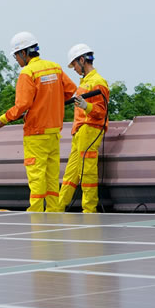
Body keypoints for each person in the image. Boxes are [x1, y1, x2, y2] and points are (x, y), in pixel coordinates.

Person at [0, 31, 76, 212]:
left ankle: (36, 215)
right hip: (54, 132)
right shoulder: (55, 67)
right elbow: (70, 91)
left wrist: (4, 119)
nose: (16, 60)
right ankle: (54, 213)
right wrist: (49, 101)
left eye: (16, 56)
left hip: (36, 133)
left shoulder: (28, 72)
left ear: (23, 53)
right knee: (52, 177)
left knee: (37, 176)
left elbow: (23, 104)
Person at [57, 44, 109, 213]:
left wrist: (87, 106)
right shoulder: (84, 83)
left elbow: (101, 112)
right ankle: (57, 208)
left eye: (75, 65)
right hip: (80, 132)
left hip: (90, 130)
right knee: (71, 173)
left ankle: (89, 210)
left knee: (87, 172)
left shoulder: (98, 82)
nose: (75, 69)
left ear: (82, 60)